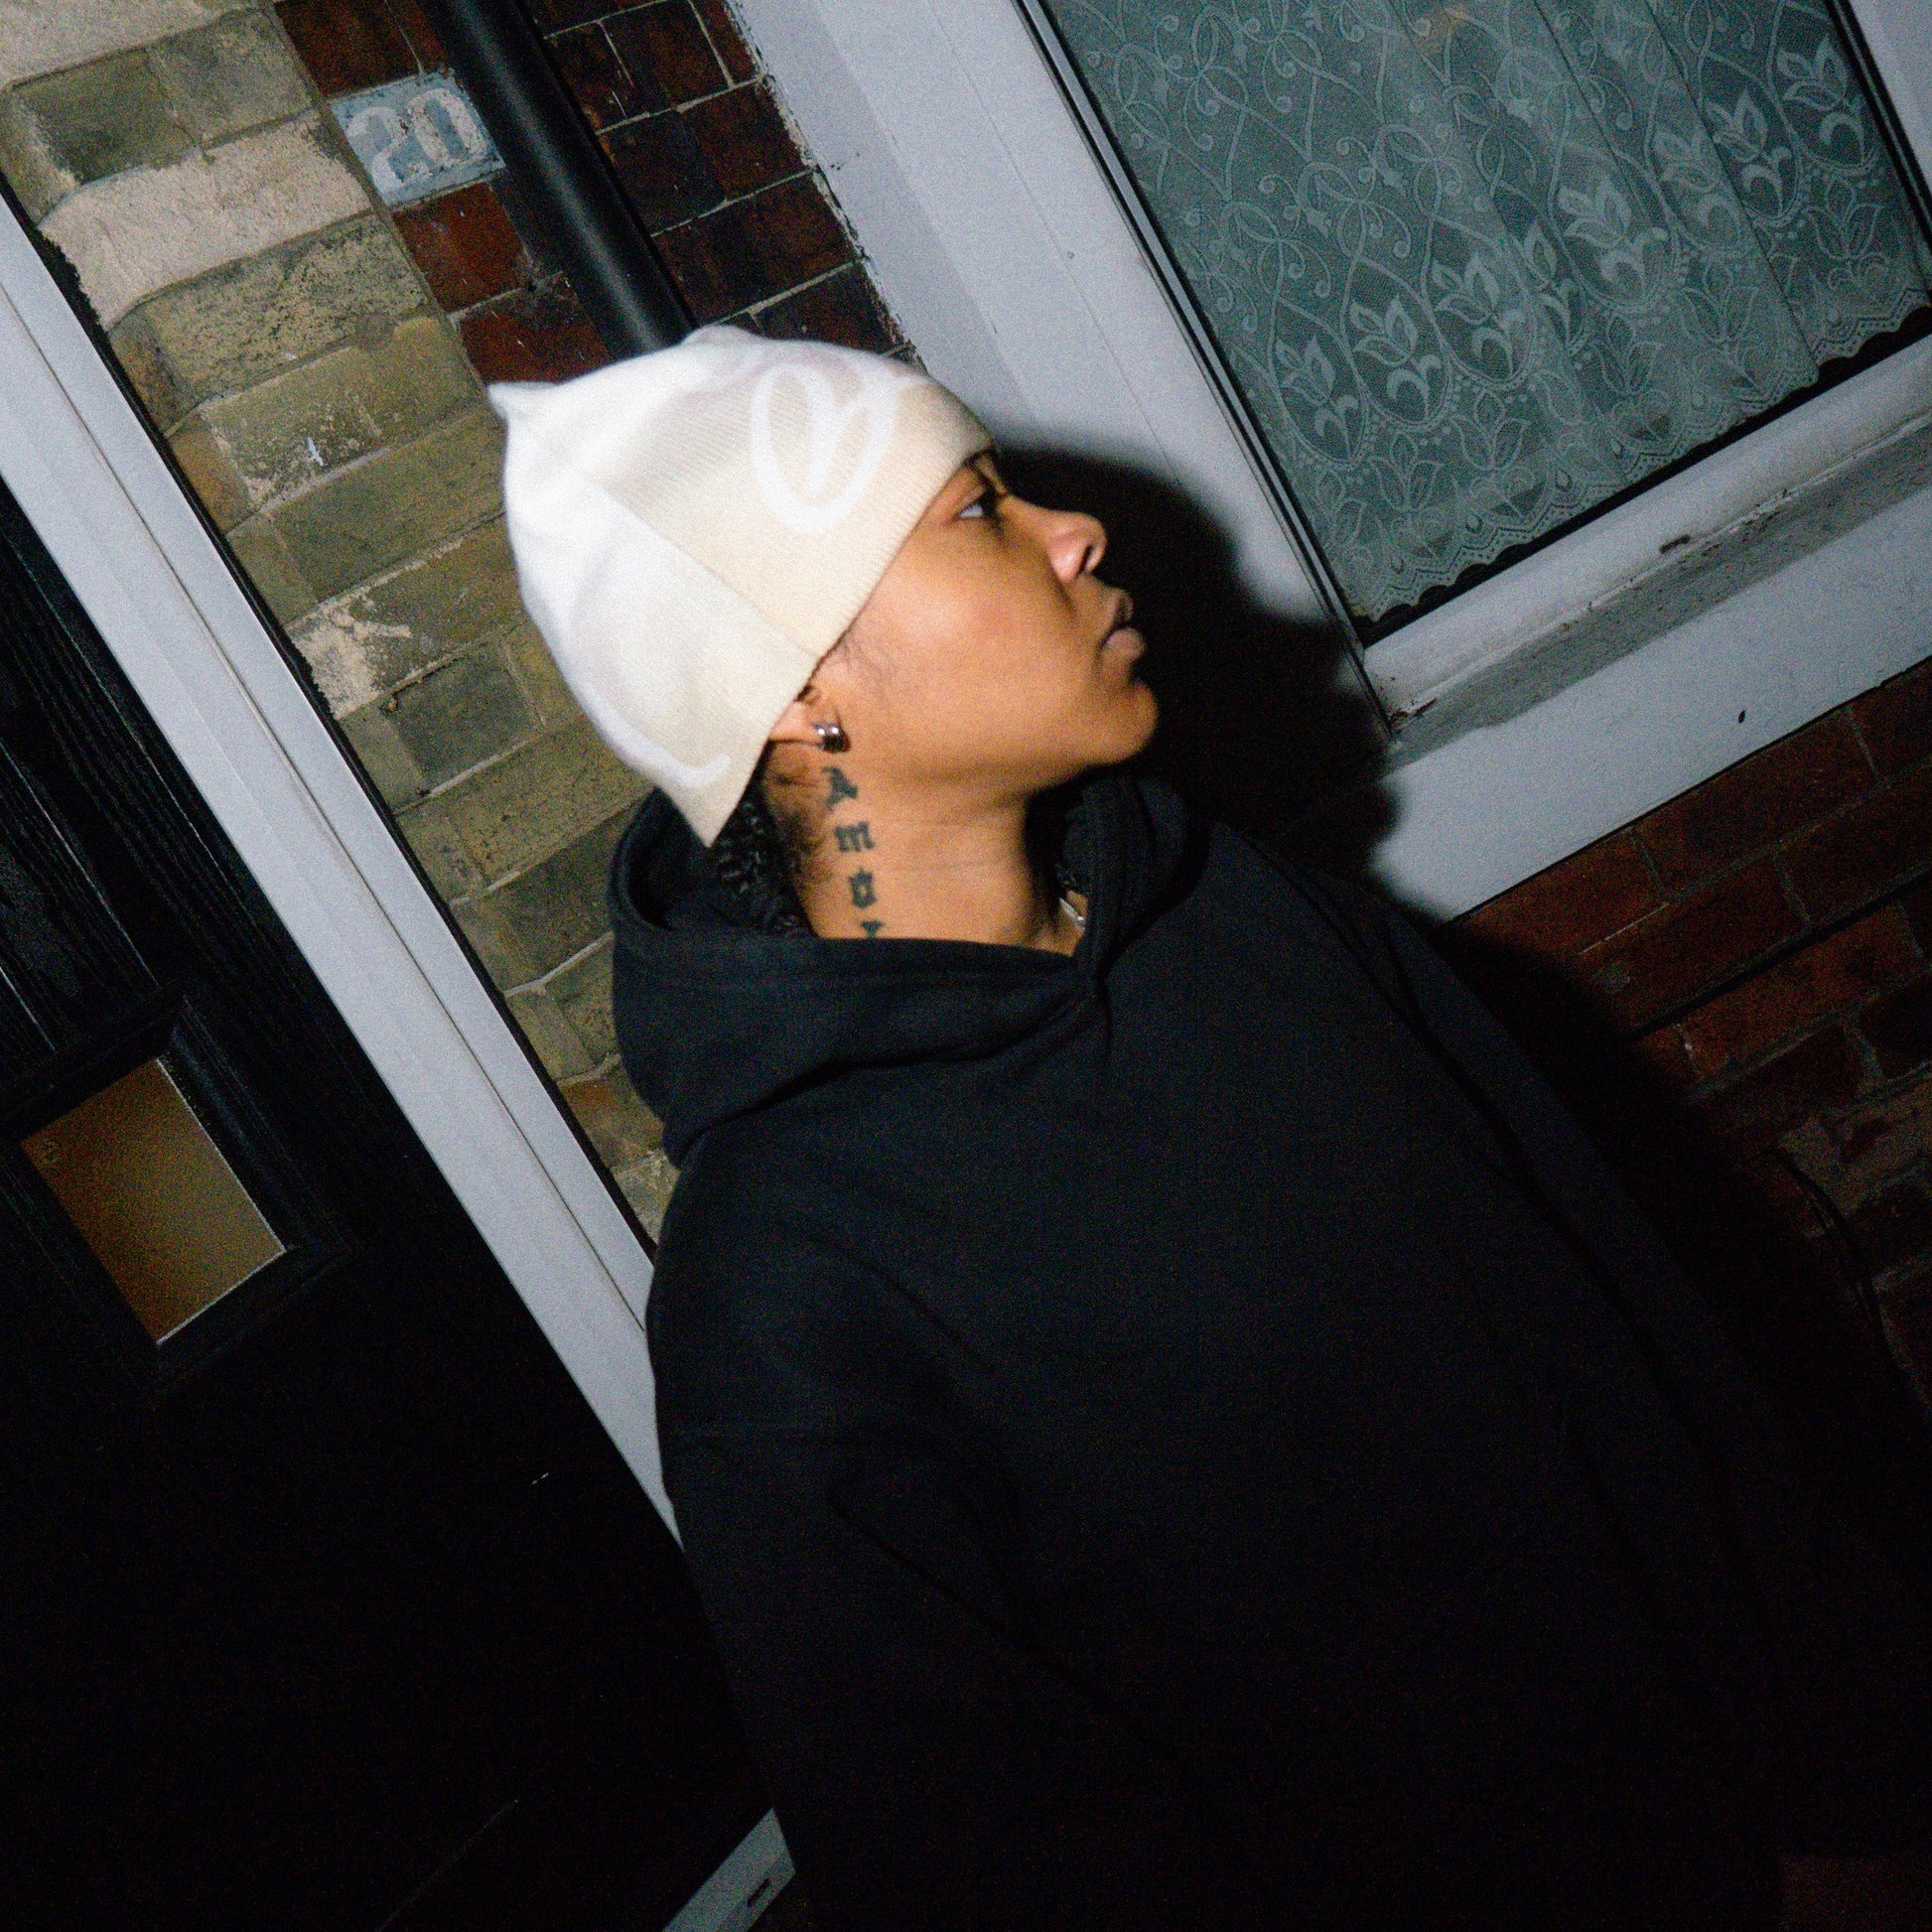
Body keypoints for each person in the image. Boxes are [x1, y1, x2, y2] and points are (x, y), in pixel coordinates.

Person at [492, 330, 1932, 1930]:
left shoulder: (1241, 916)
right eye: (973, 512)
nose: (1072, 531)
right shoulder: (786, 1289)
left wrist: (1848, 1777)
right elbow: (982, 1863)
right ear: (797, 688)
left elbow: (1632, 1341)